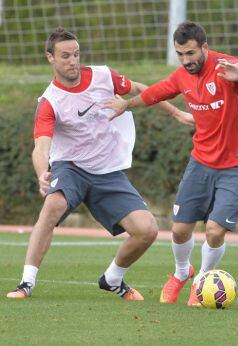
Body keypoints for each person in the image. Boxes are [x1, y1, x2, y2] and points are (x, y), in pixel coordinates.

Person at [6, 27, 194, 301]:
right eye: (65, 56)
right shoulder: (49, 101)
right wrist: (41, 173)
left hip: (107, 173)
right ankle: (26, 283)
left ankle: (113, 278)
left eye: (76, 54)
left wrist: (176, 113)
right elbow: (41, 146)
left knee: (147, 230)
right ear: (50, 58)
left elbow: (141, 90)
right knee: (53, 205)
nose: (73, 61)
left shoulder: (104, 76)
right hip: (70, 168)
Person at [102, 21, 238, 306]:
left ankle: (202, 281)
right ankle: (180, 273)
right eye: (181, 55)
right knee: (179, 230)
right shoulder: (181, 76)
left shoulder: (225, 67)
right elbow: (155, 93)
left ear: (204, 47)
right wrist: (126, 105)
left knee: (214, 230)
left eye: (191, 53)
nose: (187, 60)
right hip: (201, 161)